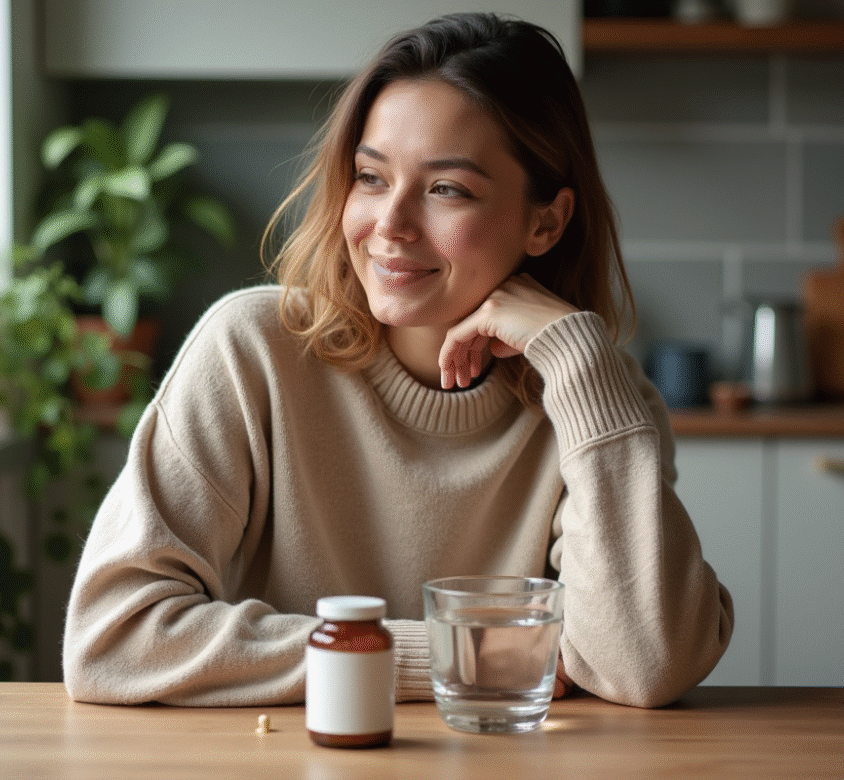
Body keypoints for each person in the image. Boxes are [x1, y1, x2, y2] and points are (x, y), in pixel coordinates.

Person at [62, 11, 733, 710]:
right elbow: (112, 639)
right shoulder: (251, 351)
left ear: (547, 222)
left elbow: (646, 664)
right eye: (371, 177)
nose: (390, 225)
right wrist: (442, 658)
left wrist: (583, 367)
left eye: (447, 189)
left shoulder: (594, 396)